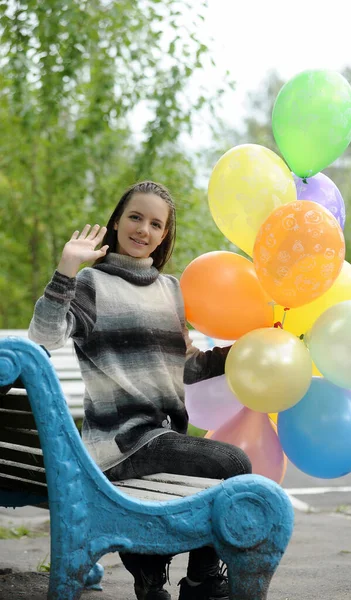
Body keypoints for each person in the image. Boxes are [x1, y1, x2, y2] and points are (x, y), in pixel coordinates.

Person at [28, 180, 252, 600]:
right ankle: (202, 580)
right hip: (121, 446)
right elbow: (42, 335)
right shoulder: (92, 284)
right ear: (116, 222)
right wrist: (66, 270)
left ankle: (153, 579)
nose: (143, 229)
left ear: (164, 234)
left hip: (163, 440)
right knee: (233, 463)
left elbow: (186, 367)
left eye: (155, 223)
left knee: (217, 466)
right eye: (135, 217)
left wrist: (248, 352)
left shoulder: (170, 291)